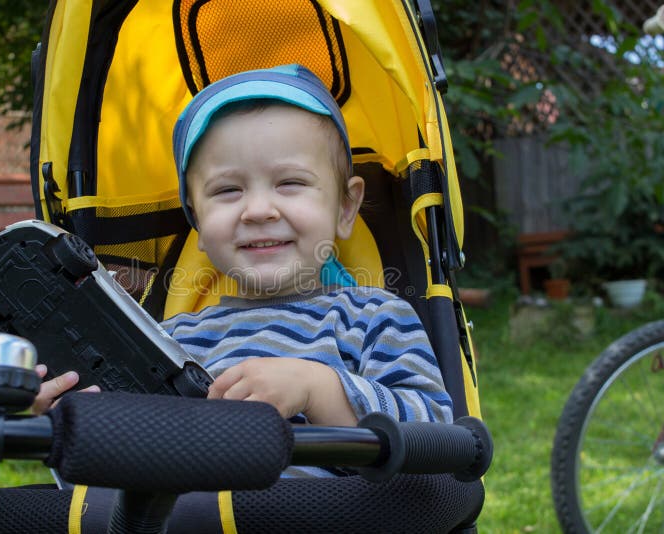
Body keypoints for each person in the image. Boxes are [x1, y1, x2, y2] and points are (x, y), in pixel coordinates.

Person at [33, 65, 452, 458]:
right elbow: (121, 467)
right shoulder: (167, 344)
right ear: (197, 222)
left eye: (290, 183)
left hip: (325, 504)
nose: (258, 210)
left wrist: (318, 390)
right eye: (228, 191)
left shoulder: (374, 320)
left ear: (345, 207)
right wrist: (70, 424)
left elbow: (436, 435)